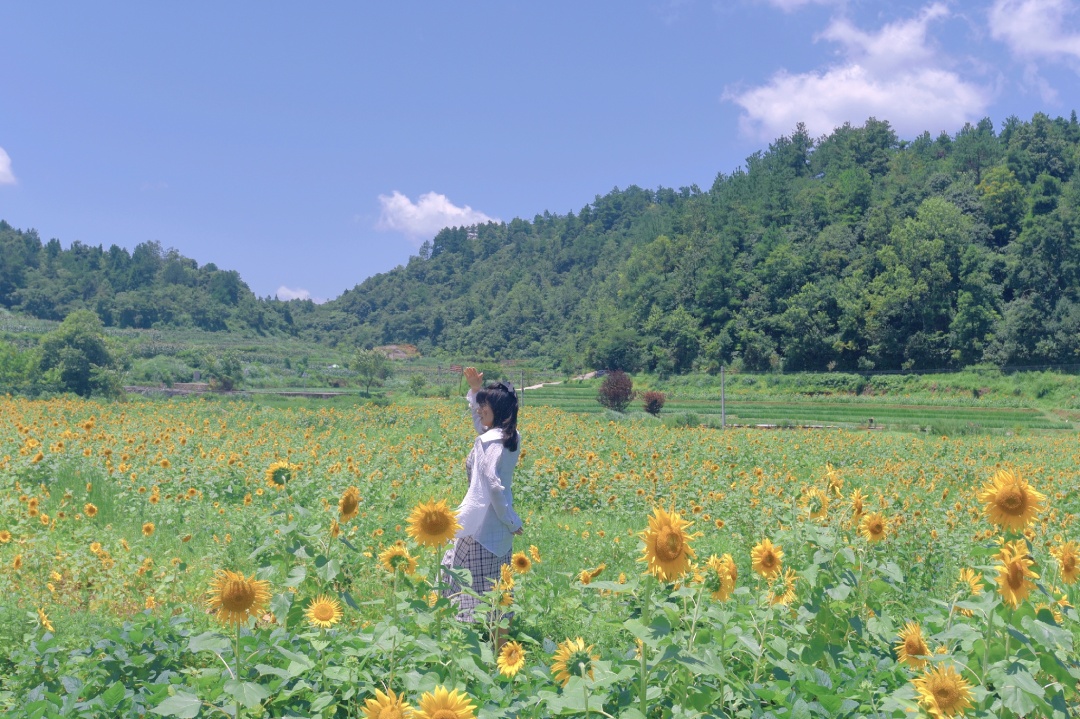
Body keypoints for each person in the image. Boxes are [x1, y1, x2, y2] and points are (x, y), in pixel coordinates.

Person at [441, 367, 523, 629]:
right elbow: (482, 426)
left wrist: (511, 520)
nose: (479, 410)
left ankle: (466, 639)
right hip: (497, 531)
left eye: (484, 407)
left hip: (480, 527)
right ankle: (498, 638)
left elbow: (493, 486)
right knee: (496, 591)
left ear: (497, 410)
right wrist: (476, 390)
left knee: (465, 587)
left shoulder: (489, 442)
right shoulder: (510, 435)